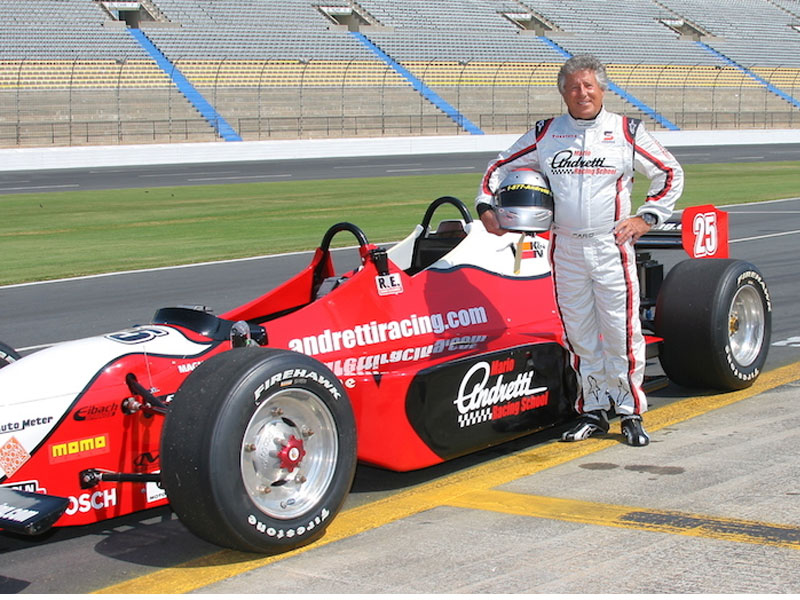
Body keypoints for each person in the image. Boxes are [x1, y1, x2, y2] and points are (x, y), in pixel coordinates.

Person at [475, 54, 684, 446]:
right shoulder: (546, 133)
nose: (581, 93)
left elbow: (670, 172)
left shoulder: (627, 130)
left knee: (621, 333)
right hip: (564, 247)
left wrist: (648, 218)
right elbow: (498, 167)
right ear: (563, 93)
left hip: (612, 245)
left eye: (588, 85)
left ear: (603, 89)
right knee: (579, 336)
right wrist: (486, 206)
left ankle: (630, 411)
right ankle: (593, 410)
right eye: (573, 87)